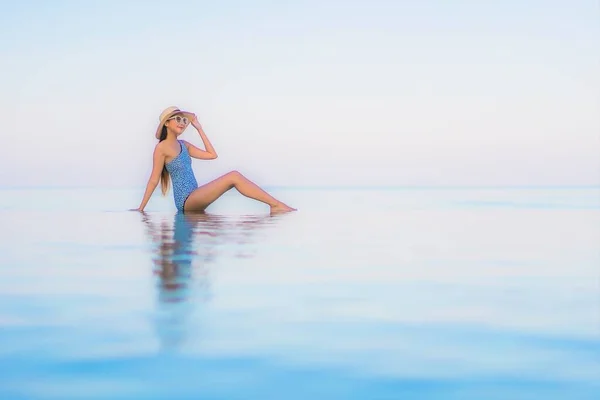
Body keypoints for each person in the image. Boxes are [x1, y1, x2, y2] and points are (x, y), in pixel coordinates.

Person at [131, 106, 296, 214]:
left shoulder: (184, 145)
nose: (182, 123)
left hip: (195, 196)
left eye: (184, 120)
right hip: (186, 201)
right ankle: (275, 205)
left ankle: (274, 205)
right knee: (234, 176)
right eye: (178, 119)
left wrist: (199, 128)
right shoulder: (161, 148)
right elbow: (154, 180)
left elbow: (212, 155)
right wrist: (141, 208)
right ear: (167, 123)